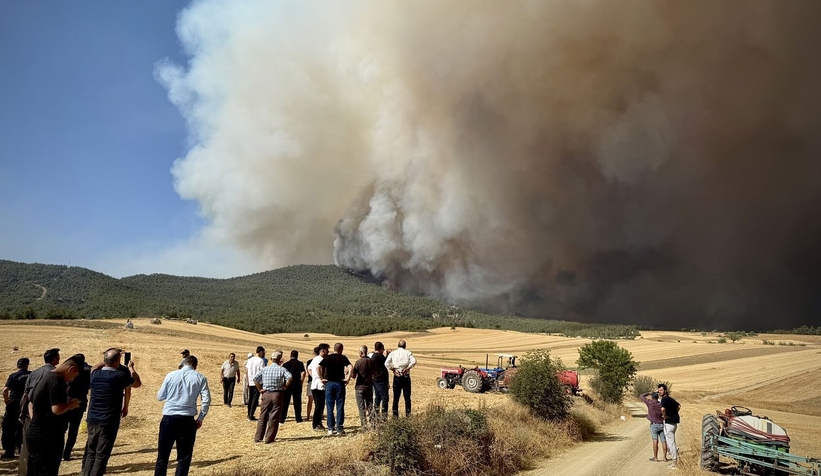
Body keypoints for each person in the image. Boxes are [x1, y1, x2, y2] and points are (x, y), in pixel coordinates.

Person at [82, 348, 141, 476]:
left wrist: (109, 356)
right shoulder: (119, 376)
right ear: (117, 361)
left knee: (91, 452)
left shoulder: (95, 374)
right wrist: (131, 368)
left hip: (92, 418)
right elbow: (136, 383)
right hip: (108, 420)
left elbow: (96, 367)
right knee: (101, 455)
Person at [26, 354, 85, 476]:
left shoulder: (47, 376)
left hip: (39, 433)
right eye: (74, 376)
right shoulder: (56, 380)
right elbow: (57, 409)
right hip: (47, 437)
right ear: (71, 369)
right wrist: (71, 404)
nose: (72, 379)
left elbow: (30, 403)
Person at [154, 355, 210, 476]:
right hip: (187, 420)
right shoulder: (200, 377)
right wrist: (200, 417)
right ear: (195, 366)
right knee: (184, 458)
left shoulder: (171, 375)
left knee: (162, 456)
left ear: (183, 363)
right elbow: (206, 400)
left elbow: (160, 396)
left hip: (169, 417)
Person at [17, 348, 61, 476]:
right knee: (44, 451)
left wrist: (22, 412)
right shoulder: (54, 375)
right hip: (42, 417)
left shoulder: (35, 372)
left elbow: (25, 395)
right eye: (58, 356)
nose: (59, 358)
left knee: (27, 446)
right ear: (54, 359)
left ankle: (24, 472)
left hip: (29, 414)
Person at [253, 350, 292, 443]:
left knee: (263, 416)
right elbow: (290, 377)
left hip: (266, 393)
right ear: (279, 359)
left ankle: (258, 437)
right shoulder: (281, 369)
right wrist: (285, 386)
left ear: (271, 359)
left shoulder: (265, 369)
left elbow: (255, 379)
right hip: (277, 394)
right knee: (274, 416)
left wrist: (260, 389)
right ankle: (269, 438)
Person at [318, 342, 352, 435]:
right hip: (339, 383)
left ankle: (330, 428)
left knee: (330, 406)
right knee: (340, 406)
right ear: (341, 349)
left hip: (329, 383)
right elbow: (350, 367)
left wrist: (321, 379)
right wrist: (348, 379)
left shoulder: (327, 358)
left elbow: (318, 367)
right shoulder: (343, 358)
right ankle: (339, 428)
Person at [1, 358, 30, 459]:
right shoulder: (31, 375)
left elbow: (5, 390)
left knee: (9, 427)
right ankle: (20, 448)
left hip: (13, 404)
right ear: (27, 365)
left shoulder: (13, 376)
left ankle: (9, 450)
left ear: (18, 366)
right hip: (26, 404)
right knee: (22, 426)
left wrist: (6, 401)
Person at [63, 361, 91, 461]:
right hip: (81, 401)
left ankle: (60, 452)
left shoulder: (72, 370)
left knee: (62, 429)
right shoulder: (89, 370)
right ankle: (67, 454)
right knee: (73, 430)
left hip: (68, 402)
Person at [385, 339, 416, 418]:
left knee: (396, 398)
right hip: (406, 376)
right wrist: (408, 368)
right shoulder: (408, 353)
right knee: (407, 398)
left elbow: (386, 363)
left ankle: (395, 416)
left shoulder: (393, 353)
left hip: (397, 376)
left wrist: (393, 369)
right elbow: (414, 361)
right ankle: (408, 415)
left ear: (397, 345)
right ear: (405, 346)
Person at [640, 391, 668, 462]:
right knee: (664, 441)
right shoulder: (660, 404)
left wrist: (648, 392)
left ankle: (655, 458)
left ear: (652, 397)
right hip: (661, 424)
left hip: (654, 424)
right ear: (658, 397)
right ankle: (665, 458)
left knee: (655, 441)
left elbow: (641, 396)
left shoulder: (650, 403)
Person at [658, 383, 680, 469]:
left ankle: (674, 463)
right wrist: (675, 413)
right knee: (671, 442)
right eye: (659, 390)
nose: (660, 392)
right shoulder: (671, 399)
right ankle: (675, 459)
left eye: (661, 390)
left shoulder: (664, 400)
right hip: (674, 423)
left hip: (668, 423)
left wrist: (664, 415)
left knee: (671, 443)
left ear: (665, 391)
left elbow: (662, 409)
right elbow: (679, 406)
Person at [280, 350, 305, 424]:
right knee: (297, 402)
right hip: (297, 384)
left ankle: (282, 418)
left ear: (290, 355)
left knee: (285, 402)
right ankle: (298, 418)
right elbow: (303, 373)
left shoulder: (286, 364)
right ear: (297, 356)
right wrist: (301, 381)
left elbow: (282, 374)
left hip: (287, 384)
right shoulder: (300, 363)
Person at [352, 345, 374, 429]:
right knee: (370, 406)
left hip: (360, 387)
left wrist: (348, 372)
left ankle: (364, 425)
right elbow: (375, 373)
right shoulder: (371, 361)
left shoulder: (358, 362)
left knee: (361, 408)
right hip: (369, 387)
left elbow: (354, 376)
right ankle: (372, 423)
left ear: (361, 352)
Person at [308, 344, 328, 431]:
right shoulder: (321, 359)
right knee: (319, 406)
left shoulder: (315, 359)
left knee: (318, 405)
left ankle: (318, 423)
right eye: (327, 350)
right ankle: (316, 424)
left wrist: (314, 377)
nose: (328, 352)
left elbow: (309, 369)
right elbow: (317, 368)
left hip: (314, 385)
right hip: (320, 386)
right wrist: (321, 378)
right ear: (323, 351)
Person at [370, 342, 389, 421]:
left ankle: (375, 417)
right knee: (385, 398)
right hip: (381, 380)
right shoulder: (380, 357)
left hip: (375, 380)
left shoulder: (373, 356)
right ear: (381, 348)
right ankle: (384, 417)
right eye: (383, 349)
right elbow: (387, 363)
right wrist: (387, 354)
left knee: (377, 399)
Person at [245, 346, 266, 420]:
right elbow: (263, 372)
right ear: (260, 352)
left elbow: (246, 371)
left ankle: (249, 413)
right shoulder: (261, 361)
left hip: (250, 381)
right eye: (263, 352)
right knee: (255, 399)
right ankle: (251, 415)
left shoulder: (250, 360)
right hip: (258, 382)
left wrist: (247, 381)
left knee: (250, 398)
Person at [304, 347, 319, 423]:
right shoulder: (321, 360)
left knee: (310, 400)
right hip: (318, 382)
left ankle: (308, 416)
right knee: (319, 400)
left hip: (311, 382)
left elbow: (307, 371)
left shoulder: (309, 361)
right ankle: (320, 415)